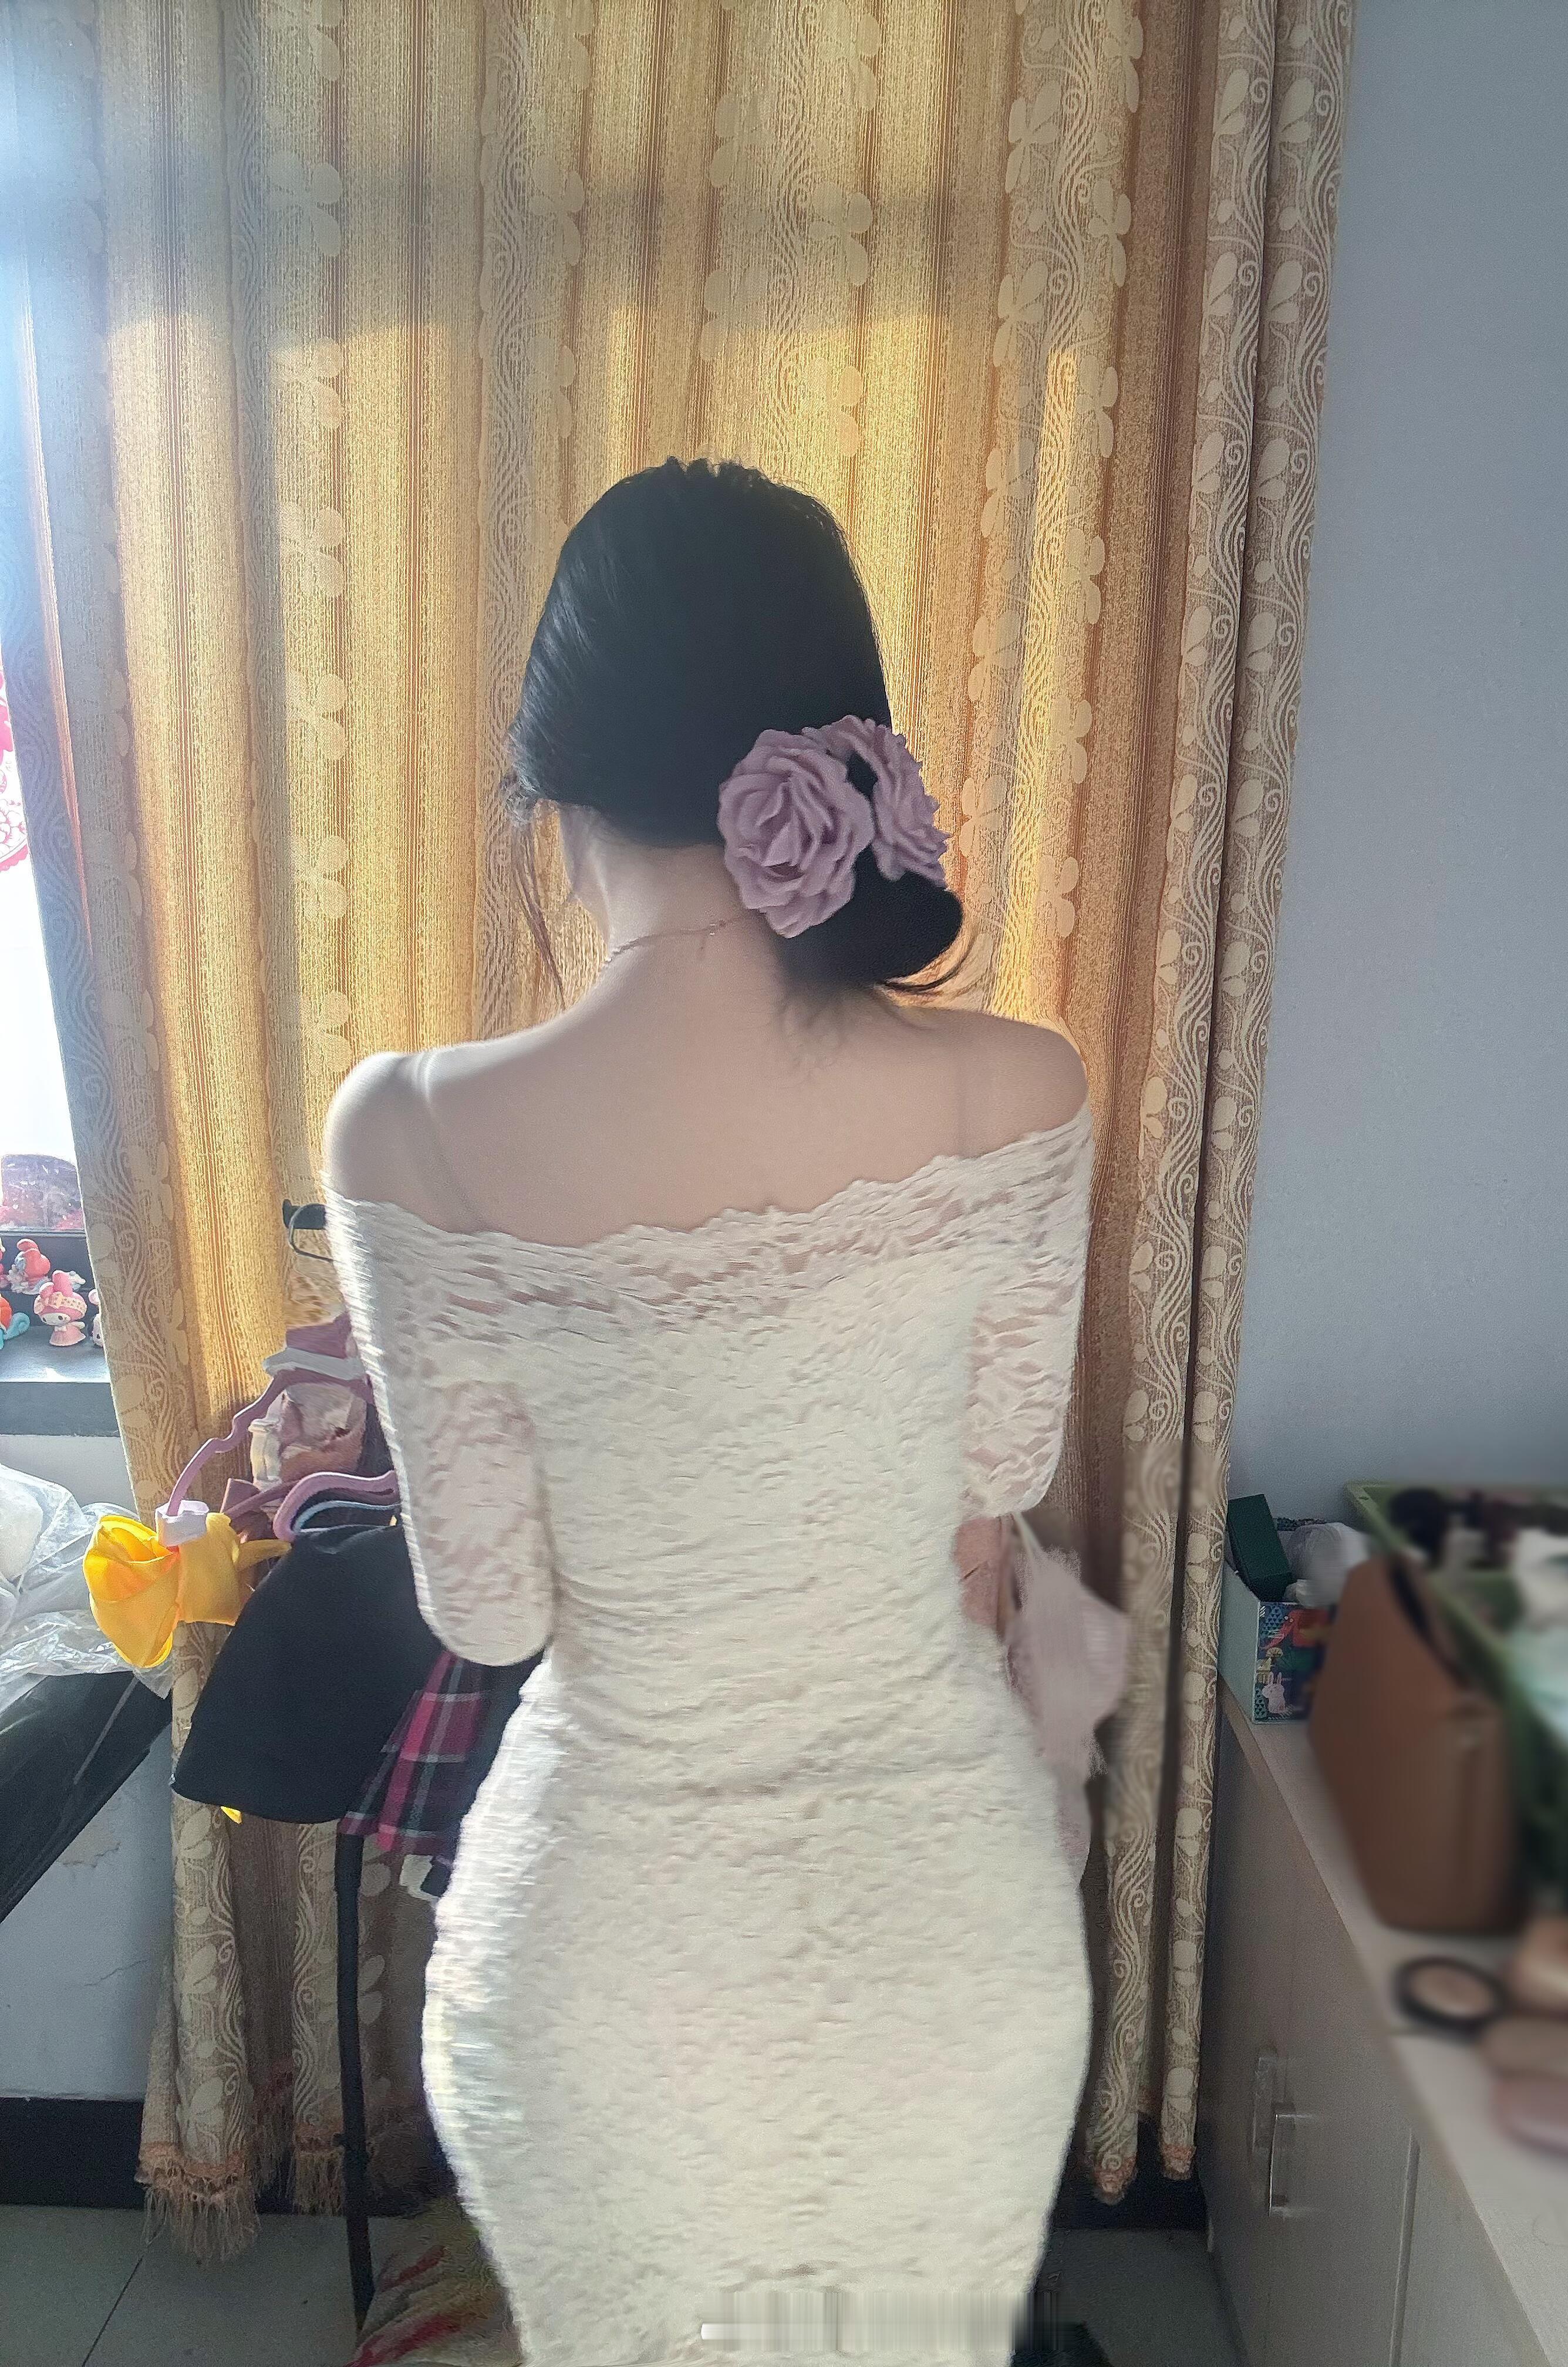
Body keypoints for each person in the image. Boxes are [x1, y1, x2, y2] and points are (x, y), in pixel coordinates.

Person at [324, 458, 1095, 2367]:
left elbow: (489, 1613)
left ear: (550, 779)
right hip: (949, 1960)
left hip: (617, 1984)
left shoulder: (409, 1129)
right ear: (851, 756)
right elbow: (998, 1478)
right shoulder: (1024, 1090)